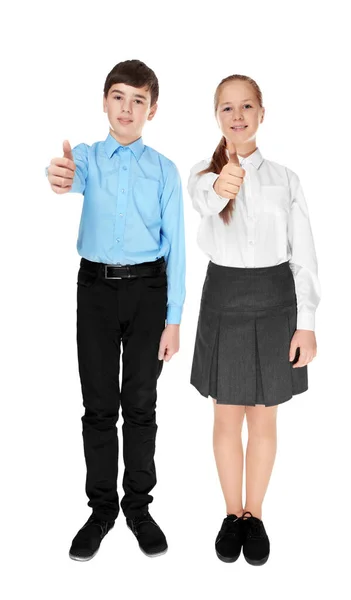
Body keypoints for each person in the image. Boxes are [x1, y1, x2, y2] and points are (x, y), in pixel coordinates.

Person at [46, 59, 186, 561]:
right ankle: (101, 509)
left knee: (141, 406)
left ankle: (138, 507)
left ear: (152, 109)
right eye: (119, 96)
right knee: (99, 406)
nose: (128, 108)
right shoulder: (86, 158)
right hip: (96, 291)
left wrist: (173, 318)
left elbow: (177, 249)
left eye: (139, 100)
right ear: (105, 101)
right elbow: (66, 175)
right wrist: (58, 175)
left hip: (150, 291)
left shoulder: (164, 170)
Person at [187, 74, 321, 566]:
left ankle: (255, 516)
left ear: (262, 113)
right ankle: (230, 514)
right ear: (217, 116)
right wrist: (223, 182)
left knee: (265, 416)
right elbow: (203, 200)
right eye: (227, 108)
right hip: (223, 295)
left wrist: (306, 320)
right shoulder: (202, 174)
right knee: (226, 415)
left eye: (246, 106)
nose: (237, 115)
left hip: (274, 298)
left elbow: (303, 253)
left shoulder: (286, 179)